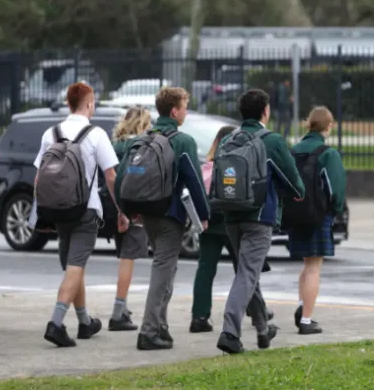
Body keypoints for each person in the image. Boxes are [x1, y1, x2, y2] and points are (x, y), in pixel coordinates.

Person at [34, 83, 129, 347]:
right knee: (75, 267)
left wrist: (39, 214)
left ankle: (85, 322)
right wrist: (122, 211)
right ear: (88, 104)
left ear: (68, 104)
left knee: (73, 267)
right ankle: (55, 323)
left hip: (58, 211)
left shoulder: (49, 133)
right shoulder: (96, 134)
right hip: (86, 210)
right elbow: (111, 176)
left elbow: (39, 178)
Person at [119, 87, 210, 350]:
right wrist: (204, 215)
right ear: (174, 111)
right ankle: (148, 332)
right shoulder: (183, 141)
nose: (186, 111)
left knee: (167, 269)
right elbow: (194, 180)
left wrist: (128, 210)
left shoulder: (143, 137)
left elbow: (124, 177)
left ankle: (161, 327)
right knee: (163, 271)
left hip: (146, 212)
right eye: (185, 106)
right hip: (170, 215)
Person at [215, 89, 305, 355]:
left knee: (246, 271)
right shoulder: (272, 141)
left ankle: (263, 329)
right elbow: (294, 183)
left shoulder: (228, 139)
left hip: (230, 214)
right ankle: (230, 332)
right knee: (247, 273)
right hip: (259, 216)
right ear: (265, 111)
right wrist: (298, 193)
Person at [190, 125, 274, 333]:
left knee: (206, 268)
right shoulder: (241, 163)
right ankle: (257, 311)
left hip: (210, 221)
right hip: (231, 218)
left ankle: (199, 316)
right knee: (245, 269)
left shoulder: (210, 165)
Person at [286, 106, 346, 335]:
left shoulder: (294, 151)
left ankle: (303, 307)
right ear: (328, 126)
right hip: (317, 216)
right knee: (313, 267)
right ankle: (307, 320)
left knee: (306, 264)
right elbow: (336, 190)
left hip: (295, 214)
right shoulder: (328, 154)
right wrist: (335, 211)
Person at [108, 107, 152, 332]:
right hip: (132, 207)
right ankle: (118, 311)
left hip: (109, 205)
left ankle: (122, 308)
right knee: (128, 258)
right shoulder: (141, 146)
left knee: (122, 255)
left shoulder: (114, 144)